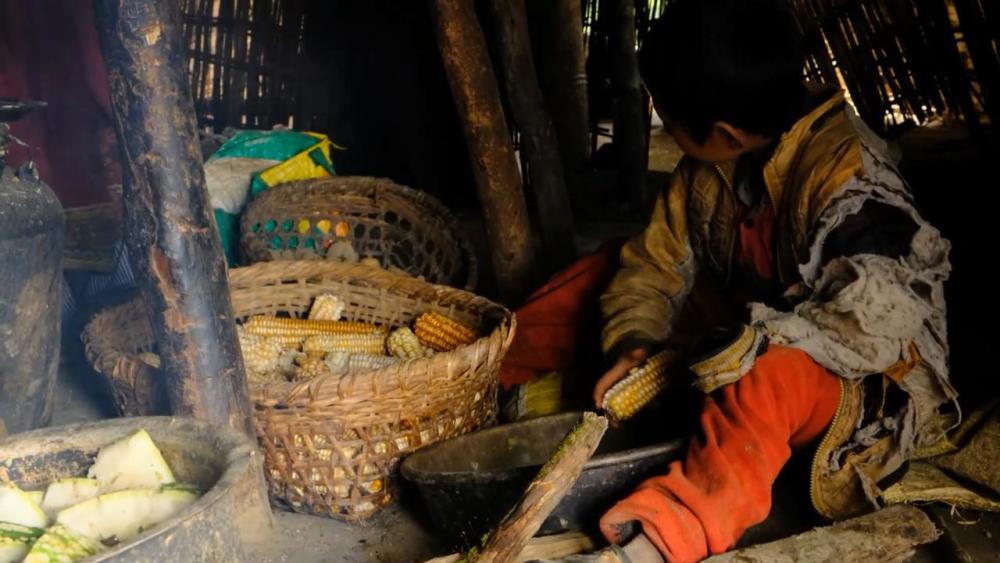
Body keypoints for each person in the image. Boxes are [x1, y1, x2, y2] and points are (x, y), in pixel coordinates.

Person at [573, 1, 957, 560]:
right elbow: (653, 265)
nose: (665, 127)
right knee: (597, 274)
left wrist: (740, 347)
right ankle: (492, 385)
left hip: (858, 378)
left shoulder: (853, 178)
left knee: (764, 377)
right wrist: (635, 342)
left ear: (724, 132)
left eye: (669, 120)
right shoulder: (706, 170)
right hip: (756, 318)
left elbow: (877, 327)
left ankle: (661, 539)